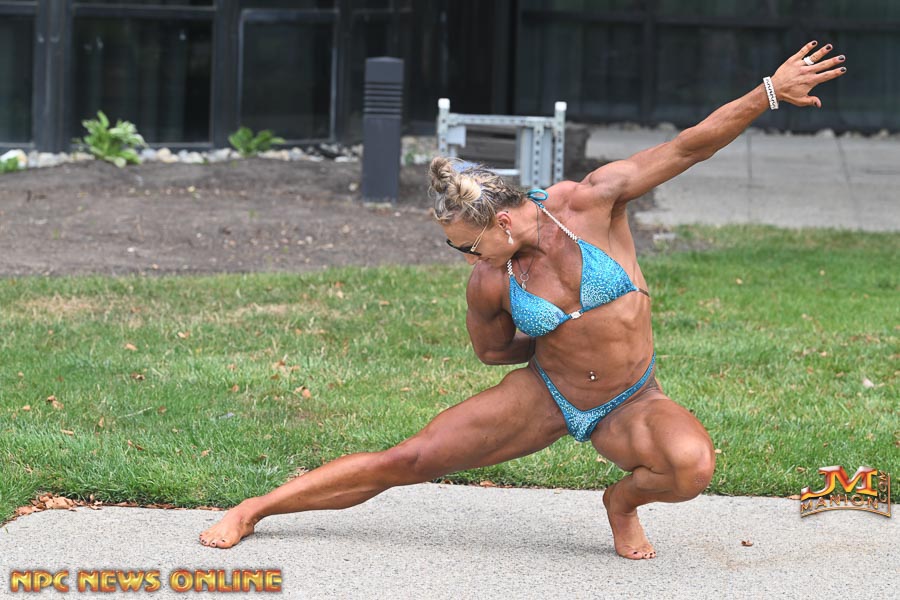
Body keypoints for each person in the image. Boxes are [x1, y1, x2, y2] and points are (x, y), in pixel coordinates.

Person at [200, 41, 846, 558]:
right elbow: (491, 353)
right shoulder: (491, 280)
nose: (464, 257)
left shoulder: (592, 203)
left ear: (503, 221)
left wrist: (768, 92)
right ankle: (256, 509)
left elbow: (688, 146)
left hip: (631, 397)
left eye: (467, 245)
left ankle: (620, 504)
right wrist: (551, 336)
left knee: (690, 467)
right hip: (547, 394)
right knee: (410, 458)